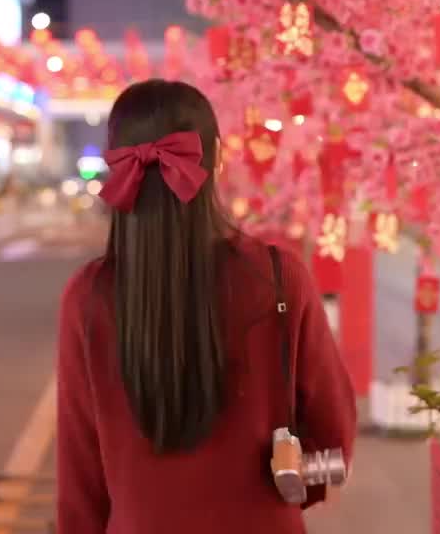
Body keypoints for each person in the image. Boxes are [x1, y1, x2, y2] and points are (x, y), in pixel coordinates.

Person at [55, 80, 356, 534]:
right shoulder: (279, 278)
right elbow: (335, 443)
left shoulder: (88, 297)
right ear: (216, 158)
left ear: (117, 165)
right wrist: (292, 480)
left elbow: (79, 483)